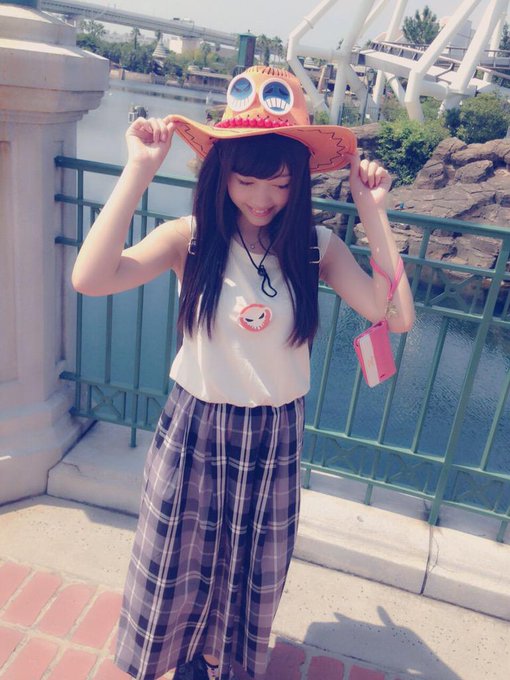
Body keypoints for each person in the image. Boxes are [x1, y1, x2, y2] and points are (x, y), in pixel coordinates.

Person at [72, 65, 415, 680]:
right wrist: (138, 171)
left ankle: (220, 665)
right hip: (195, 429)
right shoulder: (191, 238)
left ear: (299, 182)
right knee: (177, 562)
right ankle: (182, 663)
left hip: (274, 436)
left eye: (279, 184)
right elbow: (91, 278)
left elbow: (395, 315)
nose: (262, 198)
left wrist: (372, 211)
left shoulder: (315, 247)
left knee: (252, 572)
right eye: (246, 180)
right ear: (221, 173)